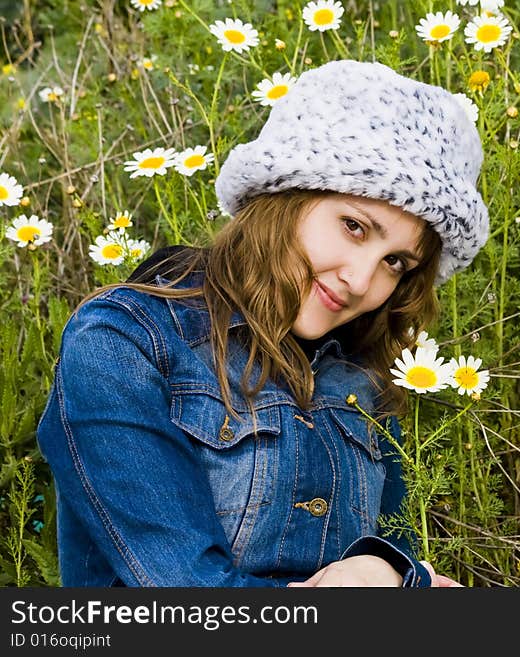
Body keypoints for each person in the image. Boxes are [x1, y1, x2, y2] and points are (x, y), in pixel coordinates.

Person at [35, 59, 489, 587]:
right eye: (354, 227)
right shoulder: (124, 341)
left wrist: (390, 574)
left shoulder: (359, 381)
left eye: (396, 263)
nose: (362, 281)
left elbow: (399, 557)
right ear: (283, 196)